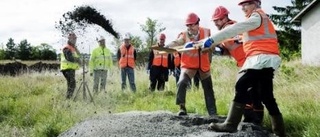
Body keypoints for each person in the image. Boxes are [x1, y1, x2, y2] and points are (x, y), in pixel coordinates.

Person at [193, 0, 285, 136]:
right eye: (242, 5)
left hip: (259, 59)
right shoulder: (257, 20)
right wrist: (214, 46)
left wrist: (212, 39)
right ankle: (279, 132)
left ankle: (230, 124)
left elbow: (233, 29)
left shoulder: (256, 17)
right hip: (266, 59)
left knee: (241, 85)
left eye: (246, 4)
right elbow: (232, 44)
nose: (243, 8)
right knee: (266, 96)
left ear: (255, 4)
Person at [211, 6, 264, 125]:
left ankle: (253, 121)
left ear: (225, 18)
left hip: (251, 62)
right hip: (243, 64)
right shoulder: (224, 34)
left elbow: (243, 38)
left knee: (248, 90)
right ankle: (251, 120)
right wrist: (216, 49)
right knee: (248, 91)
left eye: (218, 20)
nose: (215, 23)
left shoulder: (233, 27)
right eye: (214, 21)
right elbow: (227, 51)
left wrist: (238, 38)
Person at [165, 12, 217, 117]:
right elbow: (176, 42)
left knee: (208, 88)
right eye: (188, 25)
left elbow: (213, 47)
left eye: (192, 25)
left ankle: (212, 113)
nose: (190, 28)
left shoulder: (207, 32)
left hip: (204, 65)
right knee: (182, 83)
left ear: (198, 24)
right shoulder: (184, 35)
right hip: (188, 65)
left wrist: (208, 48)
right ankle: (182, 108)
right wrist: (166, 47)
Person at [60, 32, 81, 99]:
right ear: (69, 39)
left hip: (71, 69)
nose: (74, 40)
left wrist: (76, 49)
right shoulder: (67, 48)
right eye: (73, 38)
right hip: (67, 69)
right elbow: (69, 58)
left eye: (75, 39)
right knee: (72, 84)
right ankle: (68, 99)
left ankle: (68, 98)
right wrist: (78, 60)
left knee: (70, 84)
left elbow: (79, 56)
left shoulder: (73, 48)